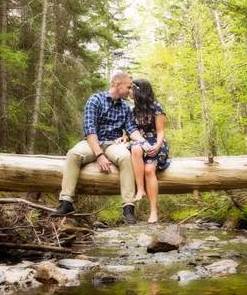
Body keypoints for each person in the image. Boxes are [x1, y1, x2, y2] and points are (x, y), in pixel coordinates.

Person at [50, 71, 145, 224]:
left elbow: (131, 129)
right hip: (92, 142)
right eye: (128, 87)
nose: (130, 90)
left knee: (126, 157)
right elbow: (90, 129)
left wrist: (145, 143)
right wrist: (99, 155)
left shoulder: (126, 108)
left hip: (113, 144)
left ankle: (128, 207)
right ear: (117, 84)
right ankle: (66, 202)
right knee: (73, 154)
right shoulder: (95, 100)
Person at [128, 79, 170, 224]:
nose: (129, 91)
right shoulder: (133, 110)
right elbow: (131, 130)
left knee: (149, 170)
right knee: (135, 148)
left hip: (156, 143)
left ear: (139, 91)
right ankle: (140, 190)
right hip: (141, 143)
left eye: (131, 89)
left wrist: (157, 146)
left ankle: (153, 211)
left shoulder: (156, 107)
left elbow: (161, 132)